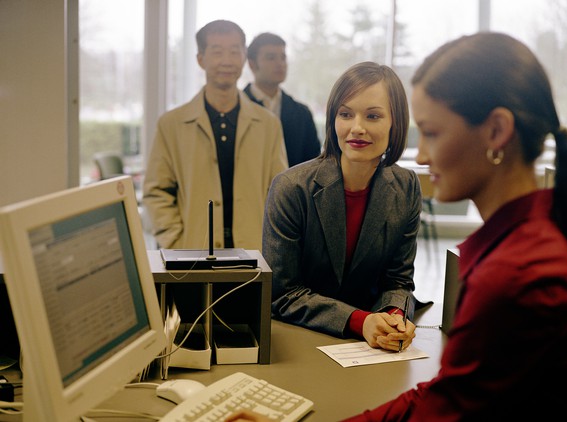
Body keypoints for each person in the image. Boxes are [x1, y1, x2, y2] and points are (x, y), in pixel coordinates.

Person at [225, 31, 567, 422]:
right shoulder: (520, 249)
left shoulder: (519, 273)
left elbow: (444, 408)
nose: (423, 156)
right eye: (346, 114)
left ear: (496, 132)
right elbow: (448, 396)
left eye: (431, 133)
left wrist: (391, 313)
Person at [263, 61, 422, 351]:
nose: (357, 128)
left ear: (395, 123)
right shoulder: (291, 187)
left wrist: (394, 318)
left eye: (373, 116)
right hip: (297, 341)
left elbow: (398, 281)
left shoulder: (406, 186)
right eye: (345, 114)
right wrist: (361, 321)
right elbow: (282, 294)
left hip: (371, 349)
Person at [143, 20, 288, 251]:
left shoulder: (268, 124)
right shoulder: (172, 124)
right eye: (217, 52)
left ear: (243, 57)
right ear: (200, 59)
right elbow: (156, 191)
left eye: (234, 51)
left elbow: (281, 194)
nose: (227, 61)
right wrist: (175, 241)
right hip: (191, 254)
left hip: (254, 253)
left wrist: (272, 243)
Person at [243, 32, 321, 167]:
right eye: (271, 57)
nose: (280, 64)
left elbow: (313, 164)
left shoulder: (302, 113)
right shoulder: (236, 107)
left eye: (283, 57)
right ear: (252, 64)